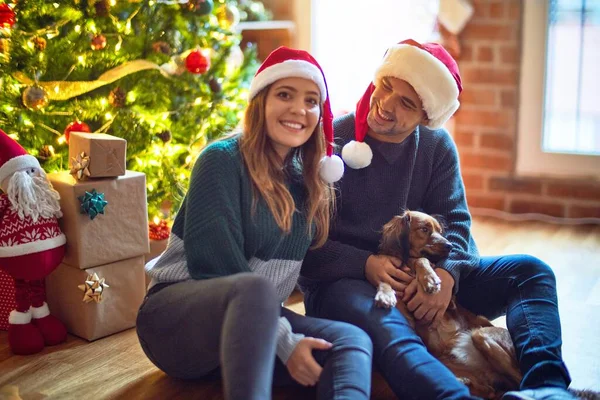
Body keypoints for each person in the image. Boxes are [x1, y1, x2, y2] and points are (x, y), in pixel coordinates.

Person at [299, 39, 576, 400]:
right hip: (348, 283)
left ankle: (546, 388)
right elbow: (301, 242)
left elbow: (457, 225)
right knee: (389, 324)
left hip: (430, 273)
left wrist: (446, 275)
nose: (385, 104)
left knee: (531, 271)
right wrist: (365, 263)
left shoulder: (436, 146)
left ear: (426, 117)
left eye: (406, 103)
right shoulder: (329, 140)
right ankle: (450, 393)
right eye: (386, 86)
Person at [137, 46, 372, 400]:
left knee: (351, 341)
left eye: (311, 101)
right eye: (284, 95)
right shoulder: (221, 161)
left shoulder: (309, 179)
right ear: (260, 101)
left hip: (253, 328)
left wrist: (374, 264)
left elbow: (313, 262)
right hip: (176, 324)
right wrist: (285, 342)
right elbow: (217, 271)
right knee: (253, 289)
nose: (299, 109)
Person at [0, 129, 68, 355]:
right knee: (22, 287)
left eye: (31, 170)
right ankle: (21, 323)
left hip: (46, 251)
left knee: (37, 285)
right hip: (16, 254)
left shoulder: (44, 197)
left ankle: (42, 314)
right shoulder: (5, 203)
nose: (28, 176)